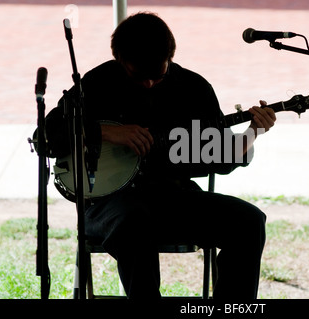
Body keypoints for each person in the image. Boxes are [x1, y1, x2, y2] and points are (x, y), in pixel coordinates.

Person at [44, 12, 276, 299]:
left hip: (173, 198)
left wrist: (253, 131)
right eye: (137, 75)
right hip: (108, 205)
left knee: (249, 222)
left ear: (170, 57)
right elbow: (46, 136)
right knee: (133, 221)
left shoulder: (193, 88)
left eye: (158, 75)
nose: (149, 84)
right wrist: (104, 132)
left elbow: (220, 159)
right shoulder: (98, 82)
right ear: (119, 59)